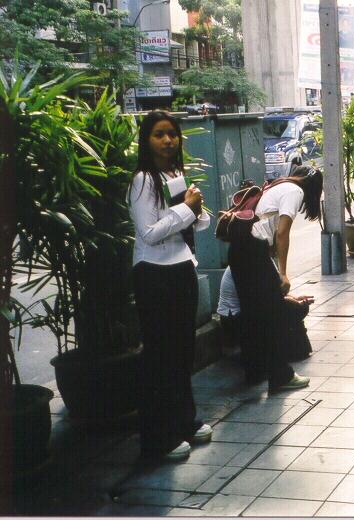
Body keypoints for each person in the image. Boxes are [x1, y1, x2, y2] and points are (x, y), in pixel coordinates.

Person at [128, 111, 212, 462]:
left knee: (182, 352)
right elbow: (149, 232)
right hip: (154, 273)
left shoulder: (175, 174)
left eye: (172, 135)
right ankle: (156, 438)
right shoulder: (143, 180)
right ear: (147, 141)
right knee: (160, 356)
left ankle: (184, 421)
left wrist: (195, 208)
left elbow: (196, 223)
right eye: (159, 135)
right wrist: (187, 211)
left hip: (181, 269)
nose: (168, 141)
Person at [227, 166, 322, 390]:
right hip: (253, 250)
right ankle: (281, 375)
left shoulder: (278, 185)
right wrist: (283, 273)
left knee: (253, 314)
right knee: (274, 312)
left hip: (240, 250)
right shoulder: (295, 192)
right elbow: (282, 233)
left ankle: (255, 371)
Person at [217, 266, 314, 376]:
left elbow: (276, 292)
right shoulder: (252, 261)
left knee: (298, 307)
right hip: (235, 318)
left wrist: (295, 298)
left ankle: (288, 347)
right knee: (296, 309)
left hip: (248, 311)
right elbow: (264, 298)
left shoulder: (264, 259)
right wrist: (294, 303)